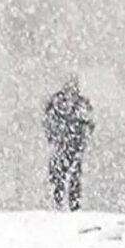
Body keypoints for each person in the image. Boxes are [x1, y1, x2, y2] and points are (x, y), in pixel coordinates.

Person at [43, 74, 95, 211]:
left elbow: (88, 124)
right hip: (67, 144)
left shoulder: (66, 103)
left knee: (67, 176)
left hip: (69, 145)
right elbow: (89, 124)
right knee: (64, 175)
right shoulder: (76, 104)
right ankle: (63, 204)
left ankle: (67, 204)